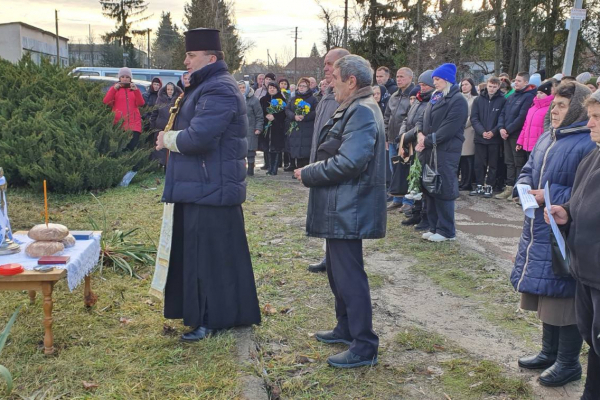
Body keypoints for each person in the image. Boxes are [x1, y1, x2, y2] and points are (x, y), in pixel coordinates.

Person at [155, 28, 261, 341]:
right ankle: (225, 313)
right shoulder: (206, 85)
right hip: (204, 186)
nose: (185, 61)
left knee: (209, 258)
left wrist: (167, 139)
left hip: (210, 187)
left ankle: (213, 318)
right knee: (210, 255)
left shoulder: (219, 89)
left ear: (210, 58)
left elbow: (199, 137)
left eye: (191, 55)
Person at [294, 54, 385, 368]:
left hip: (349, 207)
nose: (329, 84)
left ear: (352, 82)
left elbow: (350, 162)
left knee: (349, 277)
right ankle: (346, 328)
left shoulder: (361, 111)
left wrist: (310, 173)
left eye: (335, 79)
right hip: (342, 206)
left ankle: (364, 346)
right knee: (337, 272)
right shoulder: (353, 107)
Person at [511, 82, 595, 387]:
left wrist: (549, 195)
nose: (554, 110)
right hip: (539, 226)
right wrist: (523, 186)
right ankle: (549, 351)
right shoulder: (549, 136)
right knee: (546, 293)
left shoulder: (588, 142)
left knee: (565, 299)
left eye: (561, 105)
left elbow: (586, 190)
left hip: (565, 229)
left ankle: (568, 362)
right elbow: (530, 166)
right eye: (554, 104)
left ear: (577, 109)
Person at [546, 88, 600, 399]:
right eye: (590, 116)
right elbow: (582, 202)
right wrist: (565, 213)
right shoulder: (592, 156)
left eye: (596, 118)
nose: (590, 124)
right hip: (585, 271)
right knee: (593, 342)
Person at [306, 47, 350, 273]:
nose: (325, 68)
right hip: (321, 164)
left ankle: (335, 260)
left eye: (329, 64)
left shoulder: (345, 98)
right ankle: (328, 256)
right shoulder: (327, 95)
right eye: (324, 64)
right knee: (325, 213)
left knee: (334, 214)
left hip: (333, 168)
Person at [416, 63, 468, 242]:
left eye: (437, 79)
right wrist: (420, 134)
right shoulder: (435, 97)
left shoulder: (457, 100)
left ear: (447, 80)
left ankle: (447, 231)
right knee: (430, 187)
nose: (434, 82)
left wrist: (427, 140)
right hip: (430, 149)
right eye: (434, 79)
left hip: (446, 151)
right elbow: (423, 118)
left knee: (443, 188)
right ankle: (434, 226)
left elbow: (450, 128)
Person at [399, 70, 435, 229]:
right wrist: (402, 135)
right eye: (420, 85)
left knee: (422, 181)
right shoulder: (419, 100)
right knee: (414, 180)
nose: (422, 88)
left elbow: (421, 125)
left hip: (421, 145)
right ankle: (415, 212)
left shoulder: (431, 102)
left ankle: (424, 216)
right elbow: (408, 119)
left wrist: (409, 136)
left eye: (425, 85)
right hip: (411, 143)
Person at [495, 72, 536, 200]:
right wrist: (501, 128)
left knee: (518, 162)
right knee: (509, 161)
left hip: (516, 135)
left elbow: (521, 117)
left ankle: (517, 189)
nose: (515, 83)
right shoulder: (512, 96)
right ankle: (509, 186)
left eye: (519, 81)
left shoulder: (528, 97)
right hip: (506, 134)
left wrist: (508, 130)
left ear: (525, 82)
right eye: (515, 80)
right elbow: (502, 113)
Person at [384, 67, 415, 212]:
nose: (398, 79)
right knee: (394, 169)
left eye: (402, 76)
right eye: (397, 76)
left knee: (407, 171)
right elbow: (387, 117)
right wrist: (386, 136)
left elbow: (412, 119)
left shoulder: (414, 95)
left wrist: (407, 138)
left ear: (410, 78)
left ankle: (408, 200)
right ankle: (397, 198)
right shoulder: (394, 96)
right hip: (392, 139)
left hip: (406, 140)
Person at [470, 76, 507, 198]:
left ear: (498, 87)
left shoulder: (503, 100)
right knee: (479, 163)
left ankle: (490, 185)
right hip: (480, 137)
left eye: (494, 87)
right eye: (490, 86)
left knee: (493, 163)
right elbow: (474, 118)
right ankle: (479, 184)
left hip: (494, 138)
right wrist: (482, 131)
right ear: (486, 85)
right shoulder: (478, 100)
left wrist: (494, 132)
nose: (491, 89)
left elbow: (503, 118)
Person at [103, 67, 145, 151]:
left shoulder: (134, 89)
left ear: (130, 78)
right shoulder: (115, 89)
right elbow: (106, 102)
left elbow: (141, 103)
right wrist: (114, 89)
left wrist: (136, 91)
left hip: (134, 125)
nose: (125, 79)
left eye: (127, 77)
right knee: (121, 150)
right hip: (120, 125)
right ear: (119, 78)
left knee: (131, 149)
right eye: (123, 77)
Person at [516, 81, 554, 164]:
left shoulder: (549, 109)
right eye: (537, 92)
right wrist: (520, 141)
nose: (538, 95)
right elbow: (525, 126)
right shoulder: (532, 108)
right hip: (527, 144)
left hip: (539, 145)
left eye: (541, 93)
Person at [286, 77, 318, 169]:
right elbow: (287, 109)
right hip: (296, 127)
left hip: (307, 128)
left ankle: (305, 170)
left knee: (306, 149)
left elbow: (316, 111)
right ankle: (297, 169)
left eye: (304, 86)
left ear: (308, 87)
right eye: (300, 85)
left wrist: (305, 117)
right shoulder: (293, 98)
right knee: (296, 149)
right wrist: (294, 116)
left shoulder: (313, 99)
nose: (301, 88)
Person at [150, 82, 183, 166]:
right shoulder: (159, 99)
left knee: (169, 147)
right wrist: (153, 125)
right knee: (160, 147)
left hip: (173, 127)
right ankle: (159, 164)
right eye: (168, 89)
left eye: (171, 89)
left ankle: (168, 165)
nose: (170, 91)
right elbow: (154, 112)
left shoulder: (179, 99)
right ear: (165, 90)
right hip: (160, 126)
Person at [260, 82, 287, 175]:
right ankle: (269, 167)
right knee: (267, 147)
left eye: (274, 88)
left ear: (277, 89)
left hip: (277, 127)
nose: (272, 89)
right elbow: (260, 112)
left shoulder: (281, 99)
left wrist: (275, 118)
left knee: (276, 148)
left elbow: (284, 114)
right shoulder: (264, 100)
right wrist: (266, 116)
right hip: (266, 126)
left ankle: (274, 168)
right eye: (270, 88)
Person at [238, 80, 264, 176]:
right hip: (238, 129)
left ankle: (250, 170)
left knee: (250, 151)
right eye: (240, 88)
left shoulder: (254, 100)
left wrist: (258, 128)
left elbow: (259, 116)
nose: (242, 90)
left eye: (243, 88)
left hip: (251, 128)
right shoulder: (235, 99)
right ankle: (241, 170)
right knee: (240, 151)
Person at [458, 78, 478, 191]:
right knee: (460, 159)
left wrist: (461, 125)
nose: (464, 86)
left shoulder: (475, 99)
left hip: (468, 130)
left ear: (471, 86)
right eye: (462, 84)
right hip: (457, 130)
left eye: (466, 84)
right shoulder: (458, 97)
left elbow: (472, 115)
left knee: (467, 158)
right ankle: (461, 181)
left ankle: (467, 182)